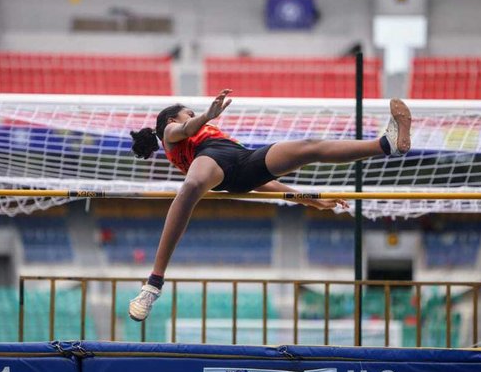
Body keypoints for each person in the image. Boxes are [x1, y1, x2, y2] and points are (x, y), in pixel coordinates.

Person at [127, 89, 412, 321]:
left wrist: (312, 201)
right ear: (170, 121)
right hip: (210, 163)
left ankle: (386, 145)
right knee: (190, 186)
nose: (194, 117)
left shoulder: (213, 134)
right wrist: (205, 115)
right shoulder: (171, 134)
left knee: (309, 147)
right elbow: (187, 127)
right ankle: (153, 283)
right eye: (187, 112)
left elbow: (261, 183)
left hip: (242, 161)